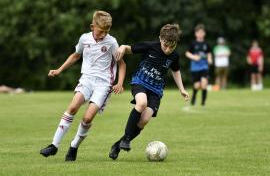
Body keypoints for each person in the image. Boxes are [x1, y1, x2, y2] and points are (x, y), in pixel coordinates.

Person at [40, 10, 126, 161]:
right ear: (92, 26)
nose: (102, 35)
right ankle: (54, 145)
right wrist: (59, 70)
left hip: (103, 84)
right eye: (100, 31)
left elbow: (121, 64)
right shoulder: (84, 39)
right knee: (72, 107)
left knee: (87, 118)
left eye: (105, 32)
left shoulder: (112, 42)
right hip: (86, 79)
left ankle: (73, 147)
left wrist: (119, 82)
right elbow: (75, 55)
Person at [108, 24, 189, 160]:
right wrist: (122, 47)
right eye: (165, 46)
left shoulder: (174, 56)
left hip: (156, 90)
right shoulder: (150, 46)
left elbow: (176, 70)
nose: (168, 50)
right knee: (141, 103)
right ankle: (127, 139)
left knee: (144, 120)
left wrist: (181, 89)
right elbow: (129, 49)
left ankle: (117, 145)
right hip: (140, 82)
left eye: (172, 46)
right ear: (160, 39)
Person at [185, 24, 212, 106]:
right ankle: (193, 98)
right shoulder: (193, 43)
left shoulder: (206, 44)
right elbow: (187, 53)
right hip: (195, 68)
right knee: (197, 85)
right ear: (196, 34)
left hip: (204, 66)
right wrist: (194, 57)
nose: (200, 34)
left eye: (202, 32)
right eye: (198, 32)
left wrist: (210, 59)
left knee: (204, 84)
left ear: (204, 33)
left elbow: (209, 53)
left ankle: (203, 102)